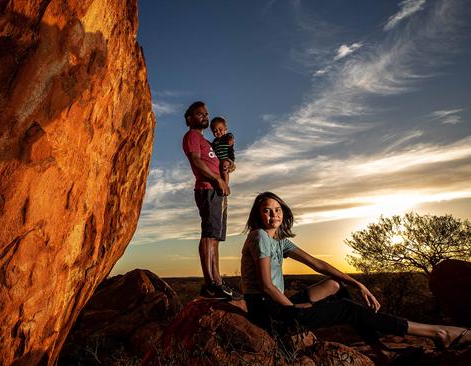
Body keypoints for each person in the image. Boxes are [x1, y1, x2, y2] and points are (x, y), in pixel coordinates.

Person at [240, 191, 470, 360]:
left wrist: (357, 283)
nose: (273, 215)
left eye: (277, 209)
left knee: (335, 285)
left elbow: (317, 263)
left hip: (277, 304)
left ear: (283, 212)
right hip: (267, 310)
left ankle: (379, 350)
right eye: (267, 210)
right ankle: (438, 332)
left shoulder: (278, 240)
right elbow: (267, 286)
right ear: (258, 215)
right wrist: (294, 309)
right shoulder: (260, 237)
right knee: (348, 309)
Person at [182, 101, 242, 300]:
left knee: (215, 237)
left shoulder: (208, 142)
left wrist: (228, 165)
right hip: (207, 189)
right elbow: (197, 162)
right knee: (209, 235)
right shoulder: (191, 136)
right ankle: (209, 285)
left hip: (217, 191)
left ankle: (218, 281)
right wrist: (217, 179)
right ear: (190, 118)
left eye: (206, 114)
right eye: (199, 114)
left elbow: (220, 158)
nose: (204, 116)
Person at [210, 117, 236, 185]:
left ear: (225, 129)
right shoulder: (215, 142)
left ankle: (225, 184)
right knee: (218, 171)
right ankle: (219, 184)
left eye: (220, 129)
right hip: (219, 162)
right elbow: (210, 148)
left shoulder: (227, 137)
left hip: (228, 160)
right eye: (215, 131)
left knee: (224, 167)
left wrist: (231, 139)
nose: (218, 132)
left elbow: (231, 136)